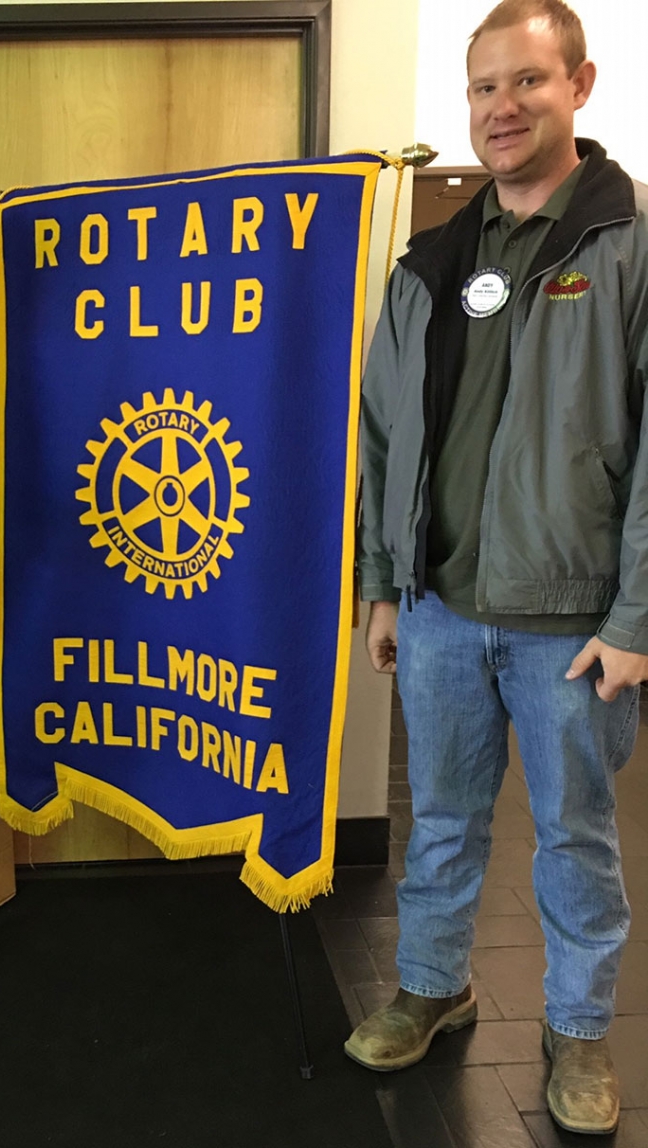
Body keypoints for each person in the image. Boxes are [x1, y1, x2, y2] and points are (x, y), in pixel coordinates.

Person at [348, 0, 648, 1134]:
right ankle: (433, 985)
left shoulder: (629, 245)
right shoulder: (431, 259)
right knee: (440, 821)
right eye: (483, 88)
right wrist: (383, 582)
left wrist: (636, 616)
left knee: (573, 834)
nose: (501, 107)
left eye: (526, 81)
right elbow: (380, 434)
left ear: (579, 83)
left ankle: (575, 1030)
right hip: (436, 609)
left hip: (571, 622)